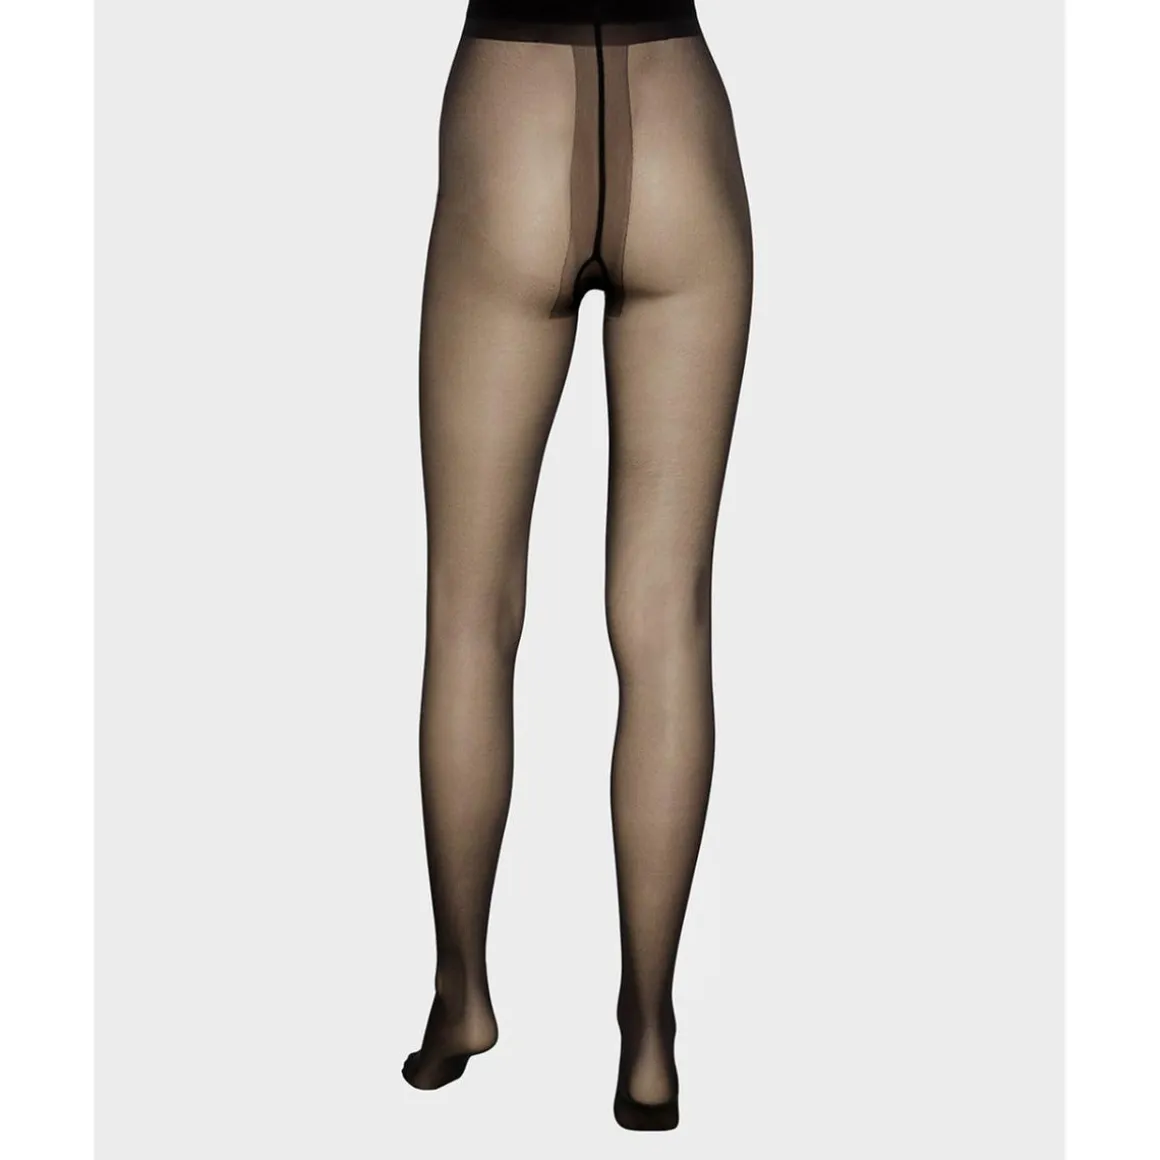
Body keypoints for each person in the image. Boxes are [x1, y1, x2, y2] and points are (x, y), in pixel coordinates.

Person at [402, 0, 753, 1131]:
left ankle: (462, 995)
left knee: (469, 612)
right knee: (666, 622)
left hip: (511, 113)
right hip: (676, 110)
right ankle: (649, 1035)